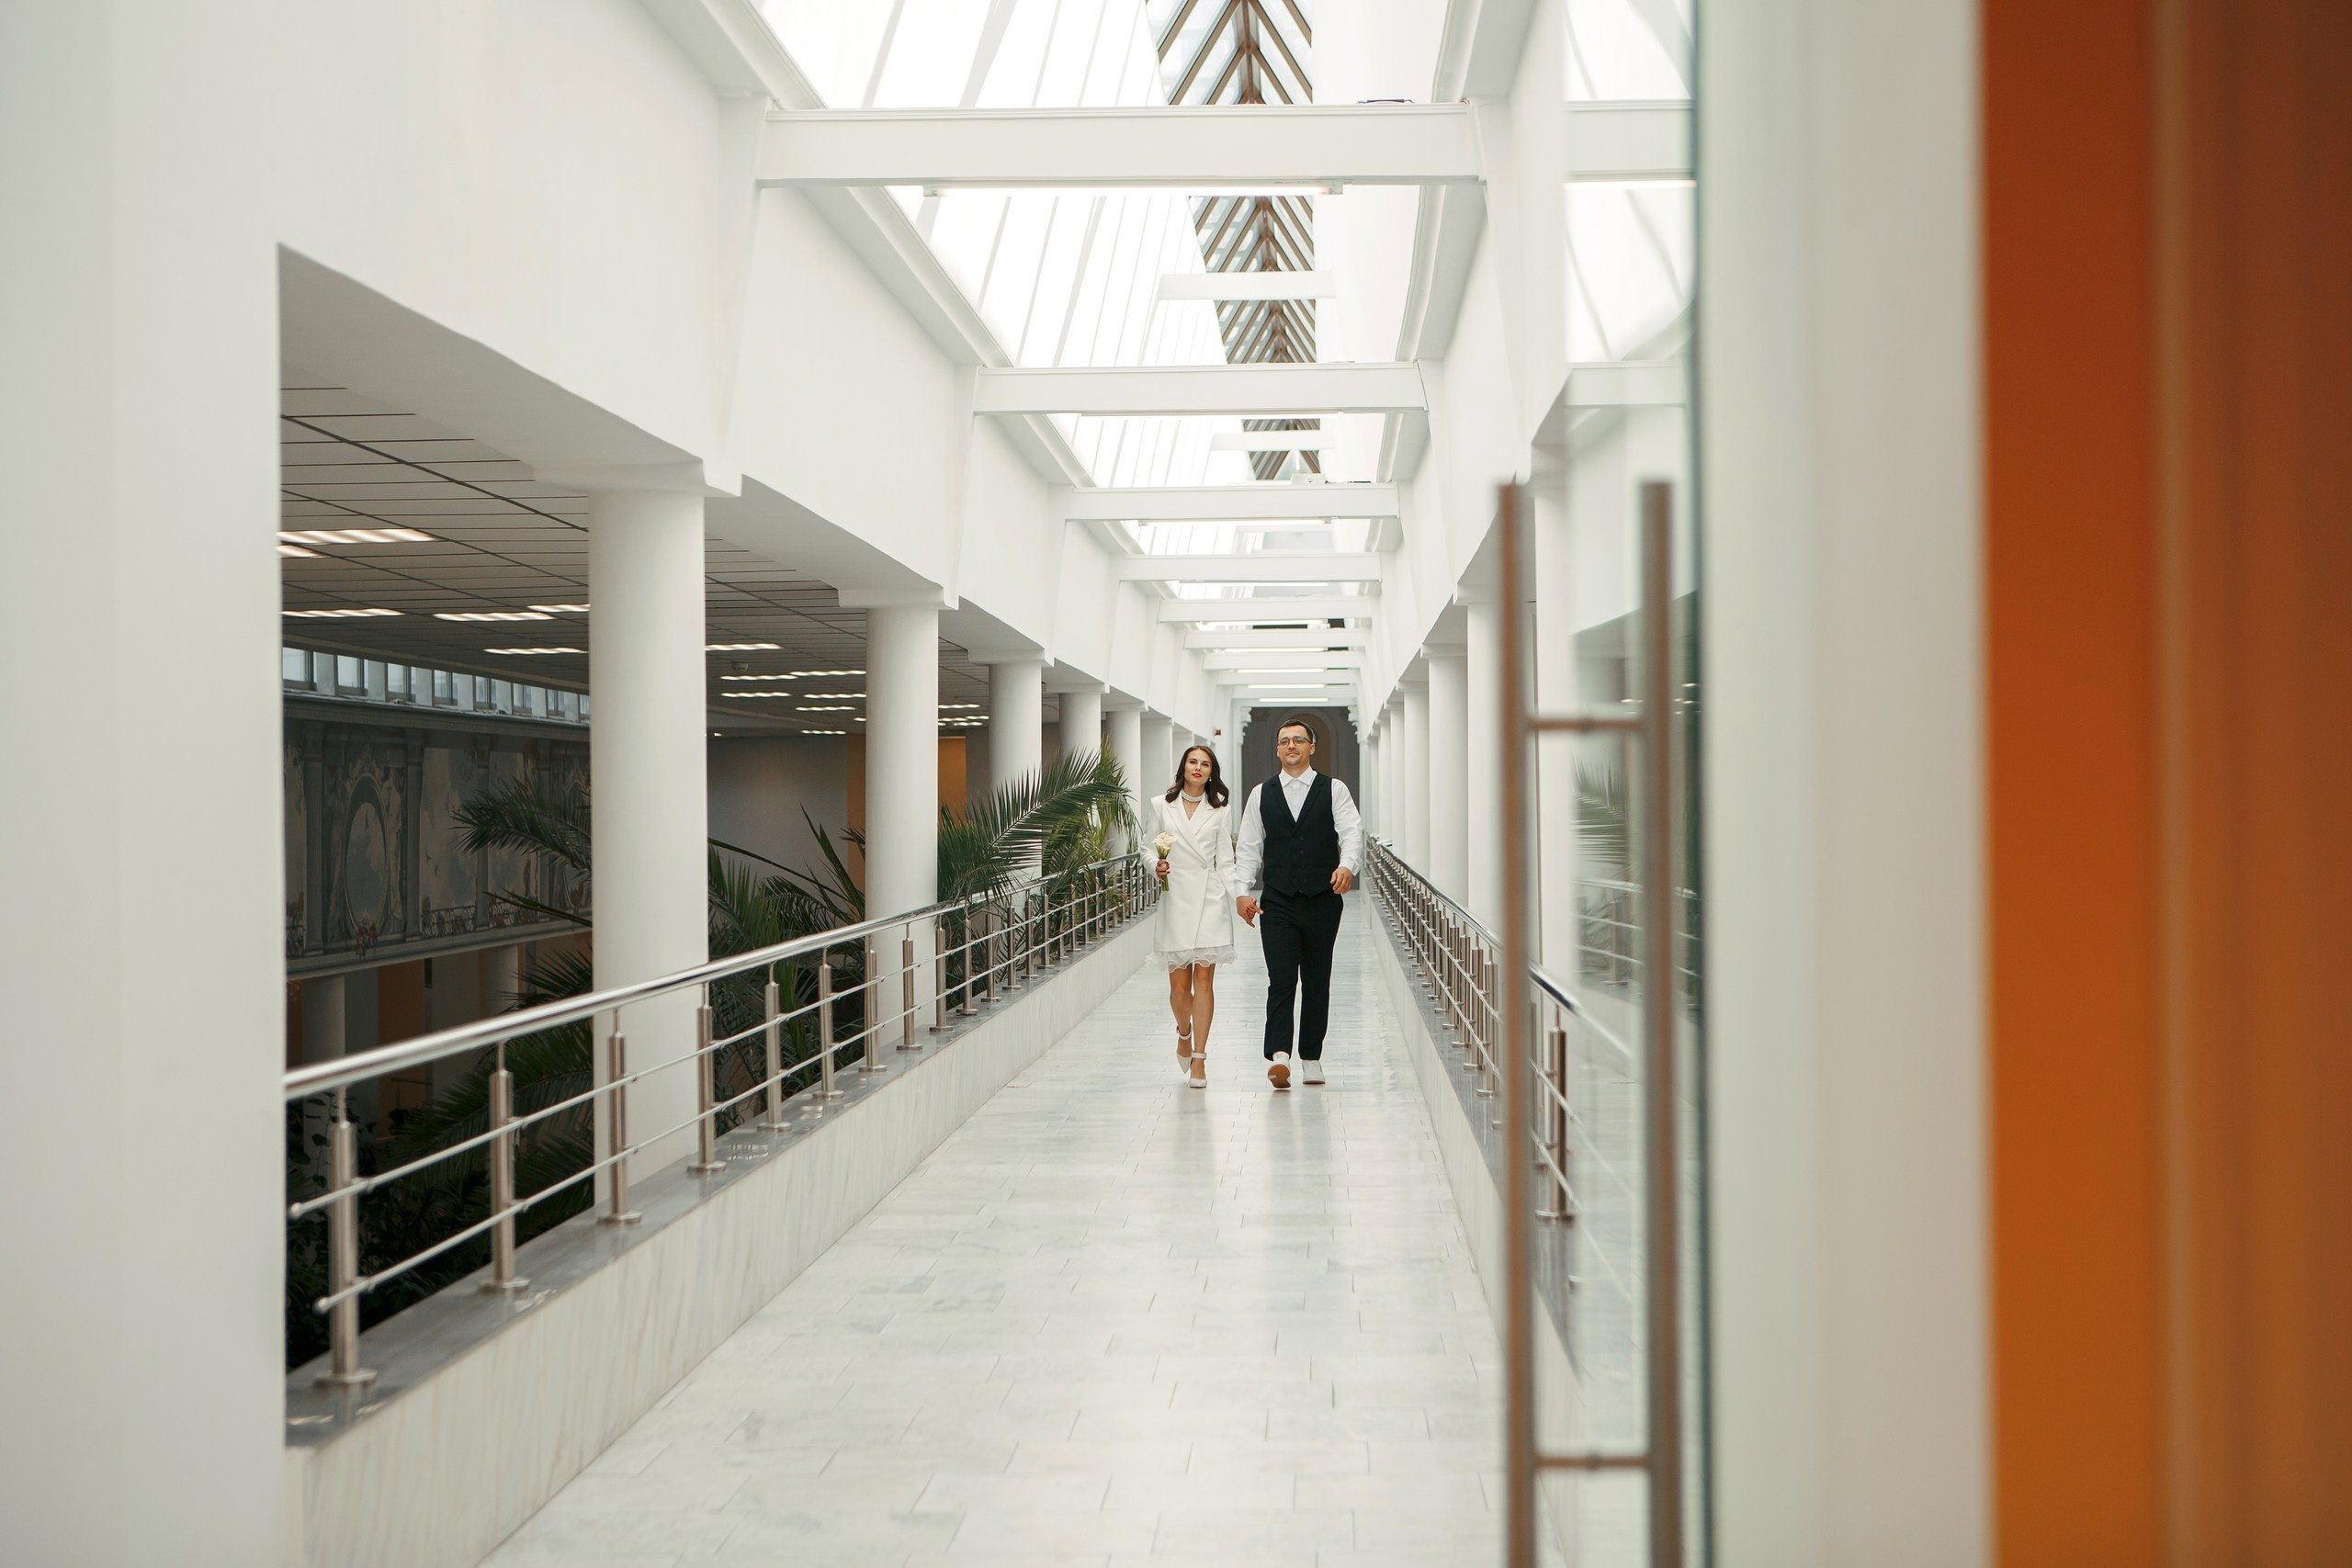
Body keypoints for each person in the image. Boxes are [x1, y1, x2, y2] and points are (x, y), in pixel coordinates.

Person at [1234, 718, 1363, 1089]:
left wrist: (1346, 865)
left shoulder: (1334, 789)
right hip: (1277, 902)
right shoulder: (1261, 793)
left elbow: (1352, 831)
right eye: (1284, 741)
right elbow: (1249, 846)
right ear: (1277, 749)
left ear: (1311, 747)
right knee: (1282, 979)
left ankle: (1311, 1057)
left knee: (1317, 980)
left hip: (1323, 900)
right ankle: (1279, 1056)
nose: (1291, 746)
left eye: (1298, 740)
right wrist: (1243, 891)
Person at [1150, 744, 1236, 1089]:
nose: (1198, 768)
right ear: (1183, 768)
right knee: (1178, 987)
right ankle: (1183, 1032)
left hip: (1210, 899)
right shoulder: (1161, 806)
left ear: (1211, 772)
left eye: (1205, 764)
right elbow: (1146, 846)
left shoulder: (1220, 810)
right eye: (1192, 762)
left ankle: (1199, 1059)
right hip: (1174, 898)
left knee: (1204, 981)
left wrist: (1241, 897)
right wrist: (1154, 865)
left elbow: (1225, 862)